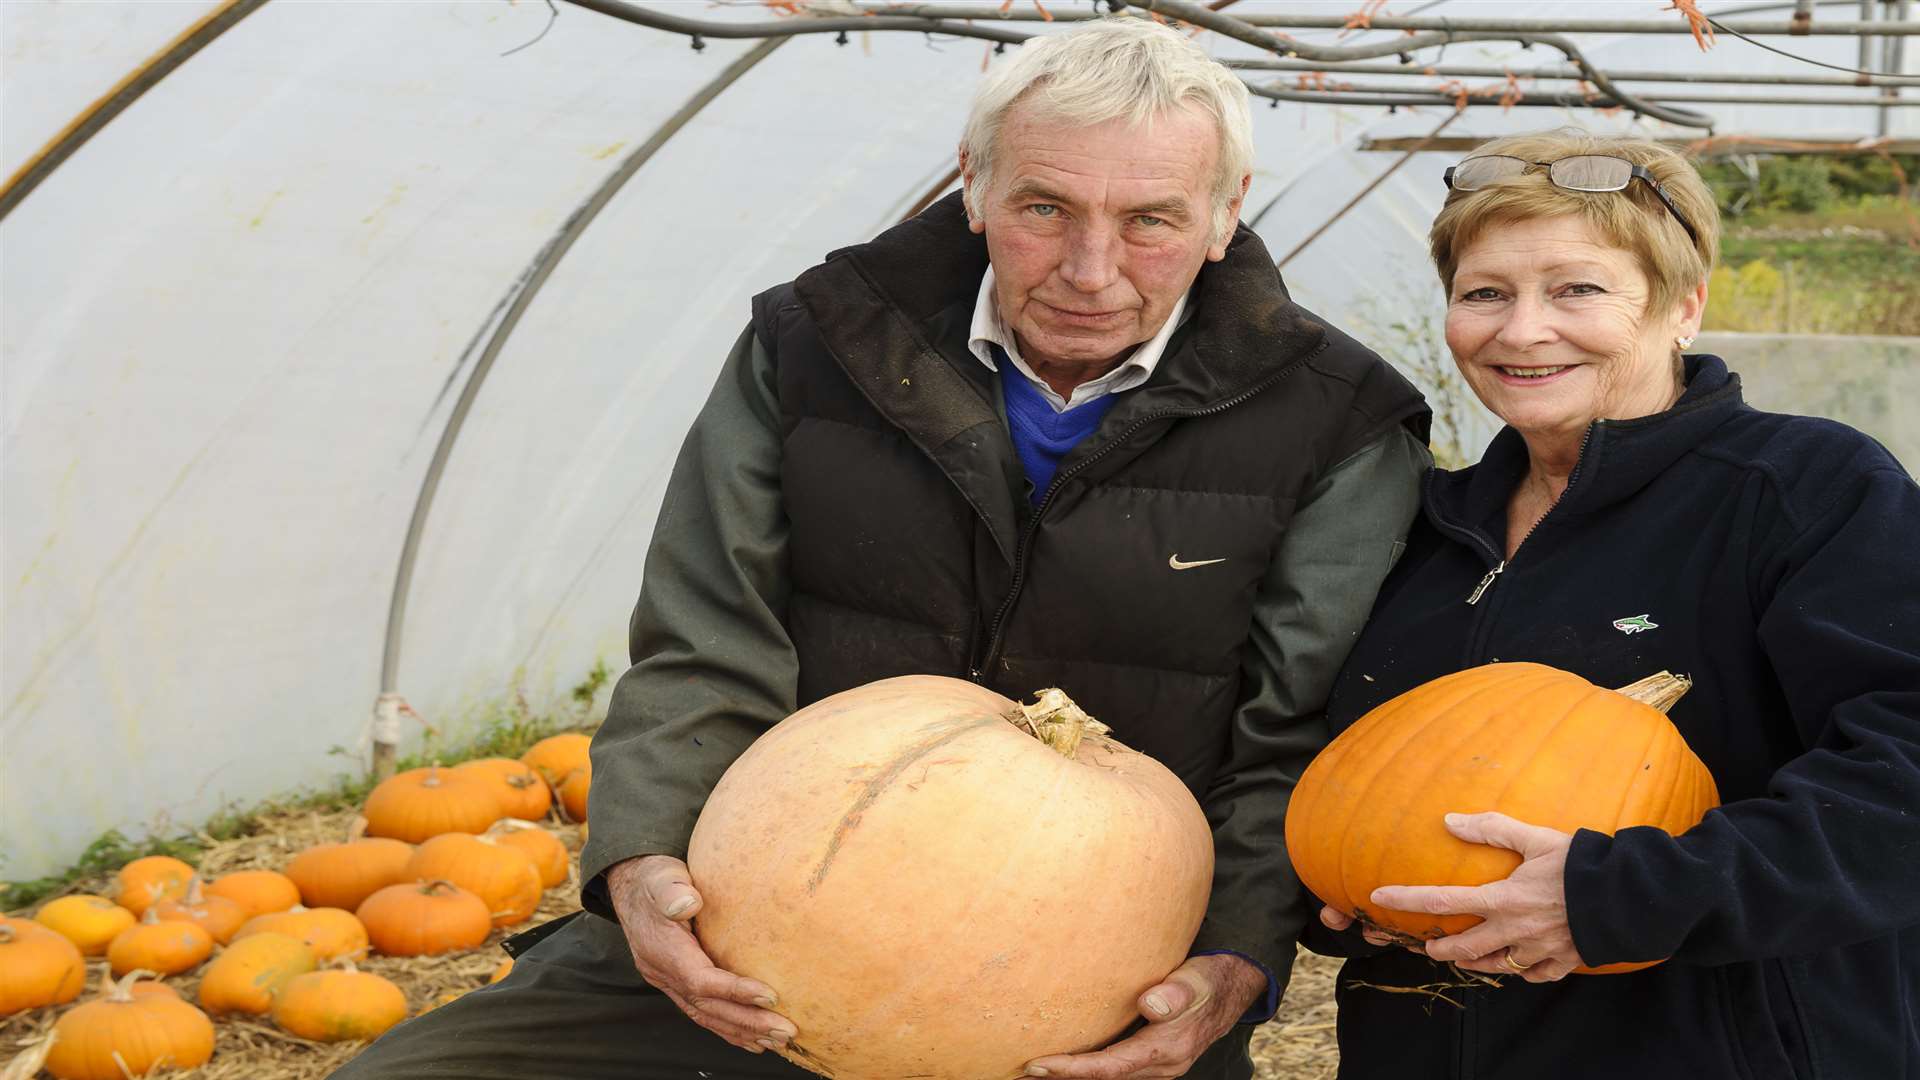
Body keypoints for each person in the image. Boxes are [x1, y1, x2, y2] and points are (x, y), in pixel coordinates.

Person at [334, 16, 1429, 1080]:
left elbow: (1288, 737)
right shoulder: (821, 342)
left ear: (1227, 212)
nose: (1093, 268)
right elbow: (708, 638)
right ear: (974, 181)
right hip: (748, 926)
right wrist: (642, 859)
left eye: (1152, 220)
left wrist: (1235, 962)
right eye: (1044, 206)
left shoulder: (1336, 421)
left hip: (1089, 983)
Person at [1309, 130, 1920, 1078]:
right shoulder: (1430, 527)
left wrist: (1623, 898)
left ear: (1684, 306)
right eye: (1484, 293)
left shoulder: (1803, 490)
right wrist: (1361, 901)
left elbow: (1906, 769)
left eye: (1576, 289)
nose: (1521, 330)